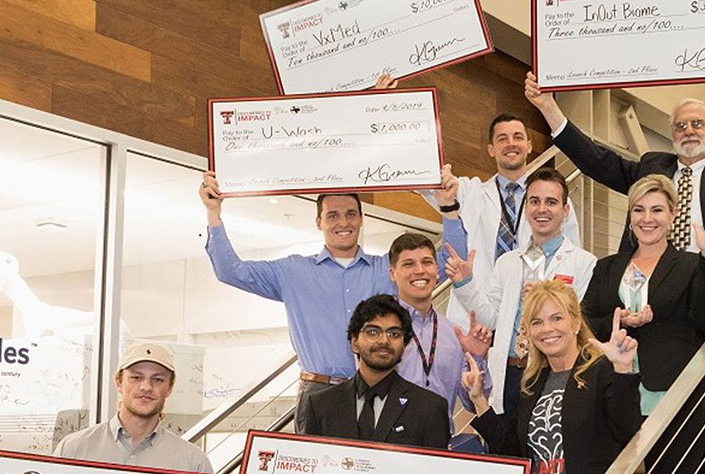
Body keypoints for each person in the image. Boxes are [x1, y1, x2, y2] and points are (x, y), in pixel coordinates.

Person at [525, 48, 705, 474]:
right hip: (640, 307)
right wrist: (551, 110)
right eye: (681, 126)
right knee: (629, 418)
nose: (688, 131)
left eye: (697, 124)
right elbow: (598, 161)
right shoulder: (653, 167)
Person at [198, 167, 465, 432]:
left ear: (361, 218)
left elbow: (450, 261)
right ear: (319, 222)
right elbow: (231, 271)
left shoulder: (387, 270)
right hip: (317, 392)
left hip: (377, 388)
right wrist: (214, 213)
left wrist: (448, 207)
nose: (343, 223)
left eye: (350, 214)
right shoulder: (292, 271)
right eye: (333, 215)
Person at [581, 175, 705, 474]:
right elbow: (583, 323)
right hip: (614, 395)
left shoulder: (690, 265)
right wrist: (618, 319)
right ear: (630, 216)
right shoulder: (607, 267)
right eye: (639, 210)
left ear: (673, 214)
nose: (648, 219)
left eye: (657, 210)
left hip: (673, 396)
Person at [462, 280, 642, 474]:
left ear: (576, 322)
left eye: (556, 318)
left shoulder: (600, 370)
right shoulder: (533, 383)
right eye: (537, 322)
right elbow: (513, 451)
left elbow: (627, 431)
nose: (547, 329)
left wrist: (623, 369)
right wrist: (479, 400)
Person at [445, 168, 596, 420]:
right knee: (508, 451)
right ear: (526, 208)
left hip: (554, 372)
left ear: (565, 210)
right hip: (512, 372)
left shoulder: (584, 263)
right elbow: (491, 319)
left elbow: (582, 324)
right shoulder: (507, 262)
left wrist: (548, 300)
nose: (542, 209)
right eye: (534, 201)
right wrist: (465, 283)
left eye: (551, 202)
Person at [423, 115, 581, 330]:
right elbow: (422, 183)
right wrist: (438, 177)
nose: (511, 144)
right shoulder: (470, 192)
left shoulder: (555, 202)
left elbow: (571, 256)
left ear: (529, 145)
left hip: (532, 316)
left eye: (518, 137)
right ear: (491, 149)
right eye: (502, 139)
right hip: (474, 315)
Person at [301, 294, 451, 449]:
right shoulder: (320, 405)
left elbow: (433, 471)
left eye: (394, 334)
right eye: (373, 332)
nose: (384, 341)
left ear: (404, 345)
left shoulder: (430, 407)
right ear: (354, 343)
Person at [388, 232, 493, 434]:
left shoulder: (452, 334)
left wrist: (477, 358)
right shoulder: (379, 331)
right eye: (408, 264)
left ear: (437, 270)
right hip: (388, 445)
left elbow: (473, 404)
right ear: (392, 273)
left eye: (427, 262)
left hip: (440, 447)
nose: (419, 271)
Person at [54, 343, 214, 474]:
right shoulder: (73, 450)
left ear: (170, 388)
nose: (146, 387)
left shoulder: (194, 463)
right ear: (118, 382)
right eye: (136, 377)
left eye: (158, 379)